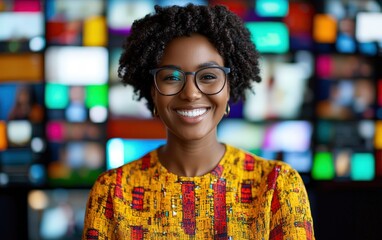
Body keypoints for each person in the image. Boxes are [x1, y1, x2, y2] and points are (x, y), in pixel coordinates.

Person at [83, 4, 315, 239]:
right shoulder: (113, 191)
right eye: (172, 77)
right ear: (152, 90)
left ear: (229, 88)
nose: (191, 93)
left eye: (208, 77)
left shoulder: (277, 186)